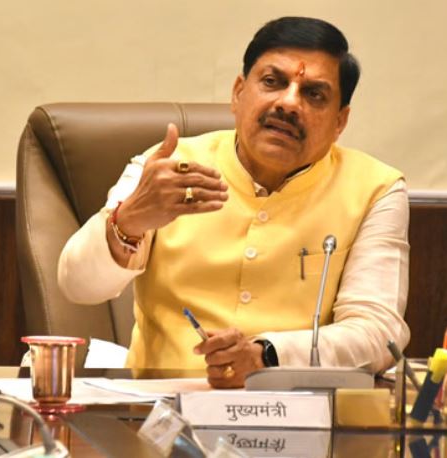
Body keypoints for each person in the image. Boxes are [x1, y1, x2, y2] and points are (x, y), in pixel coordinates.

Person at [58, 16, 410, 388]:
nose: (289, 103)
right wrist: (129, 220)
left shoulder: (375, 188)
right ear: (238, 93)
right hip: (158, 406)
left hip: (297, 408)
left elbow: (379, 333)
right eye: (272, 82)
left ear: (340, 121)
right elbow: (78, 285)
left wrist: (267, 356)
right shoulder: (168, 165)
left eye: (314, 94)